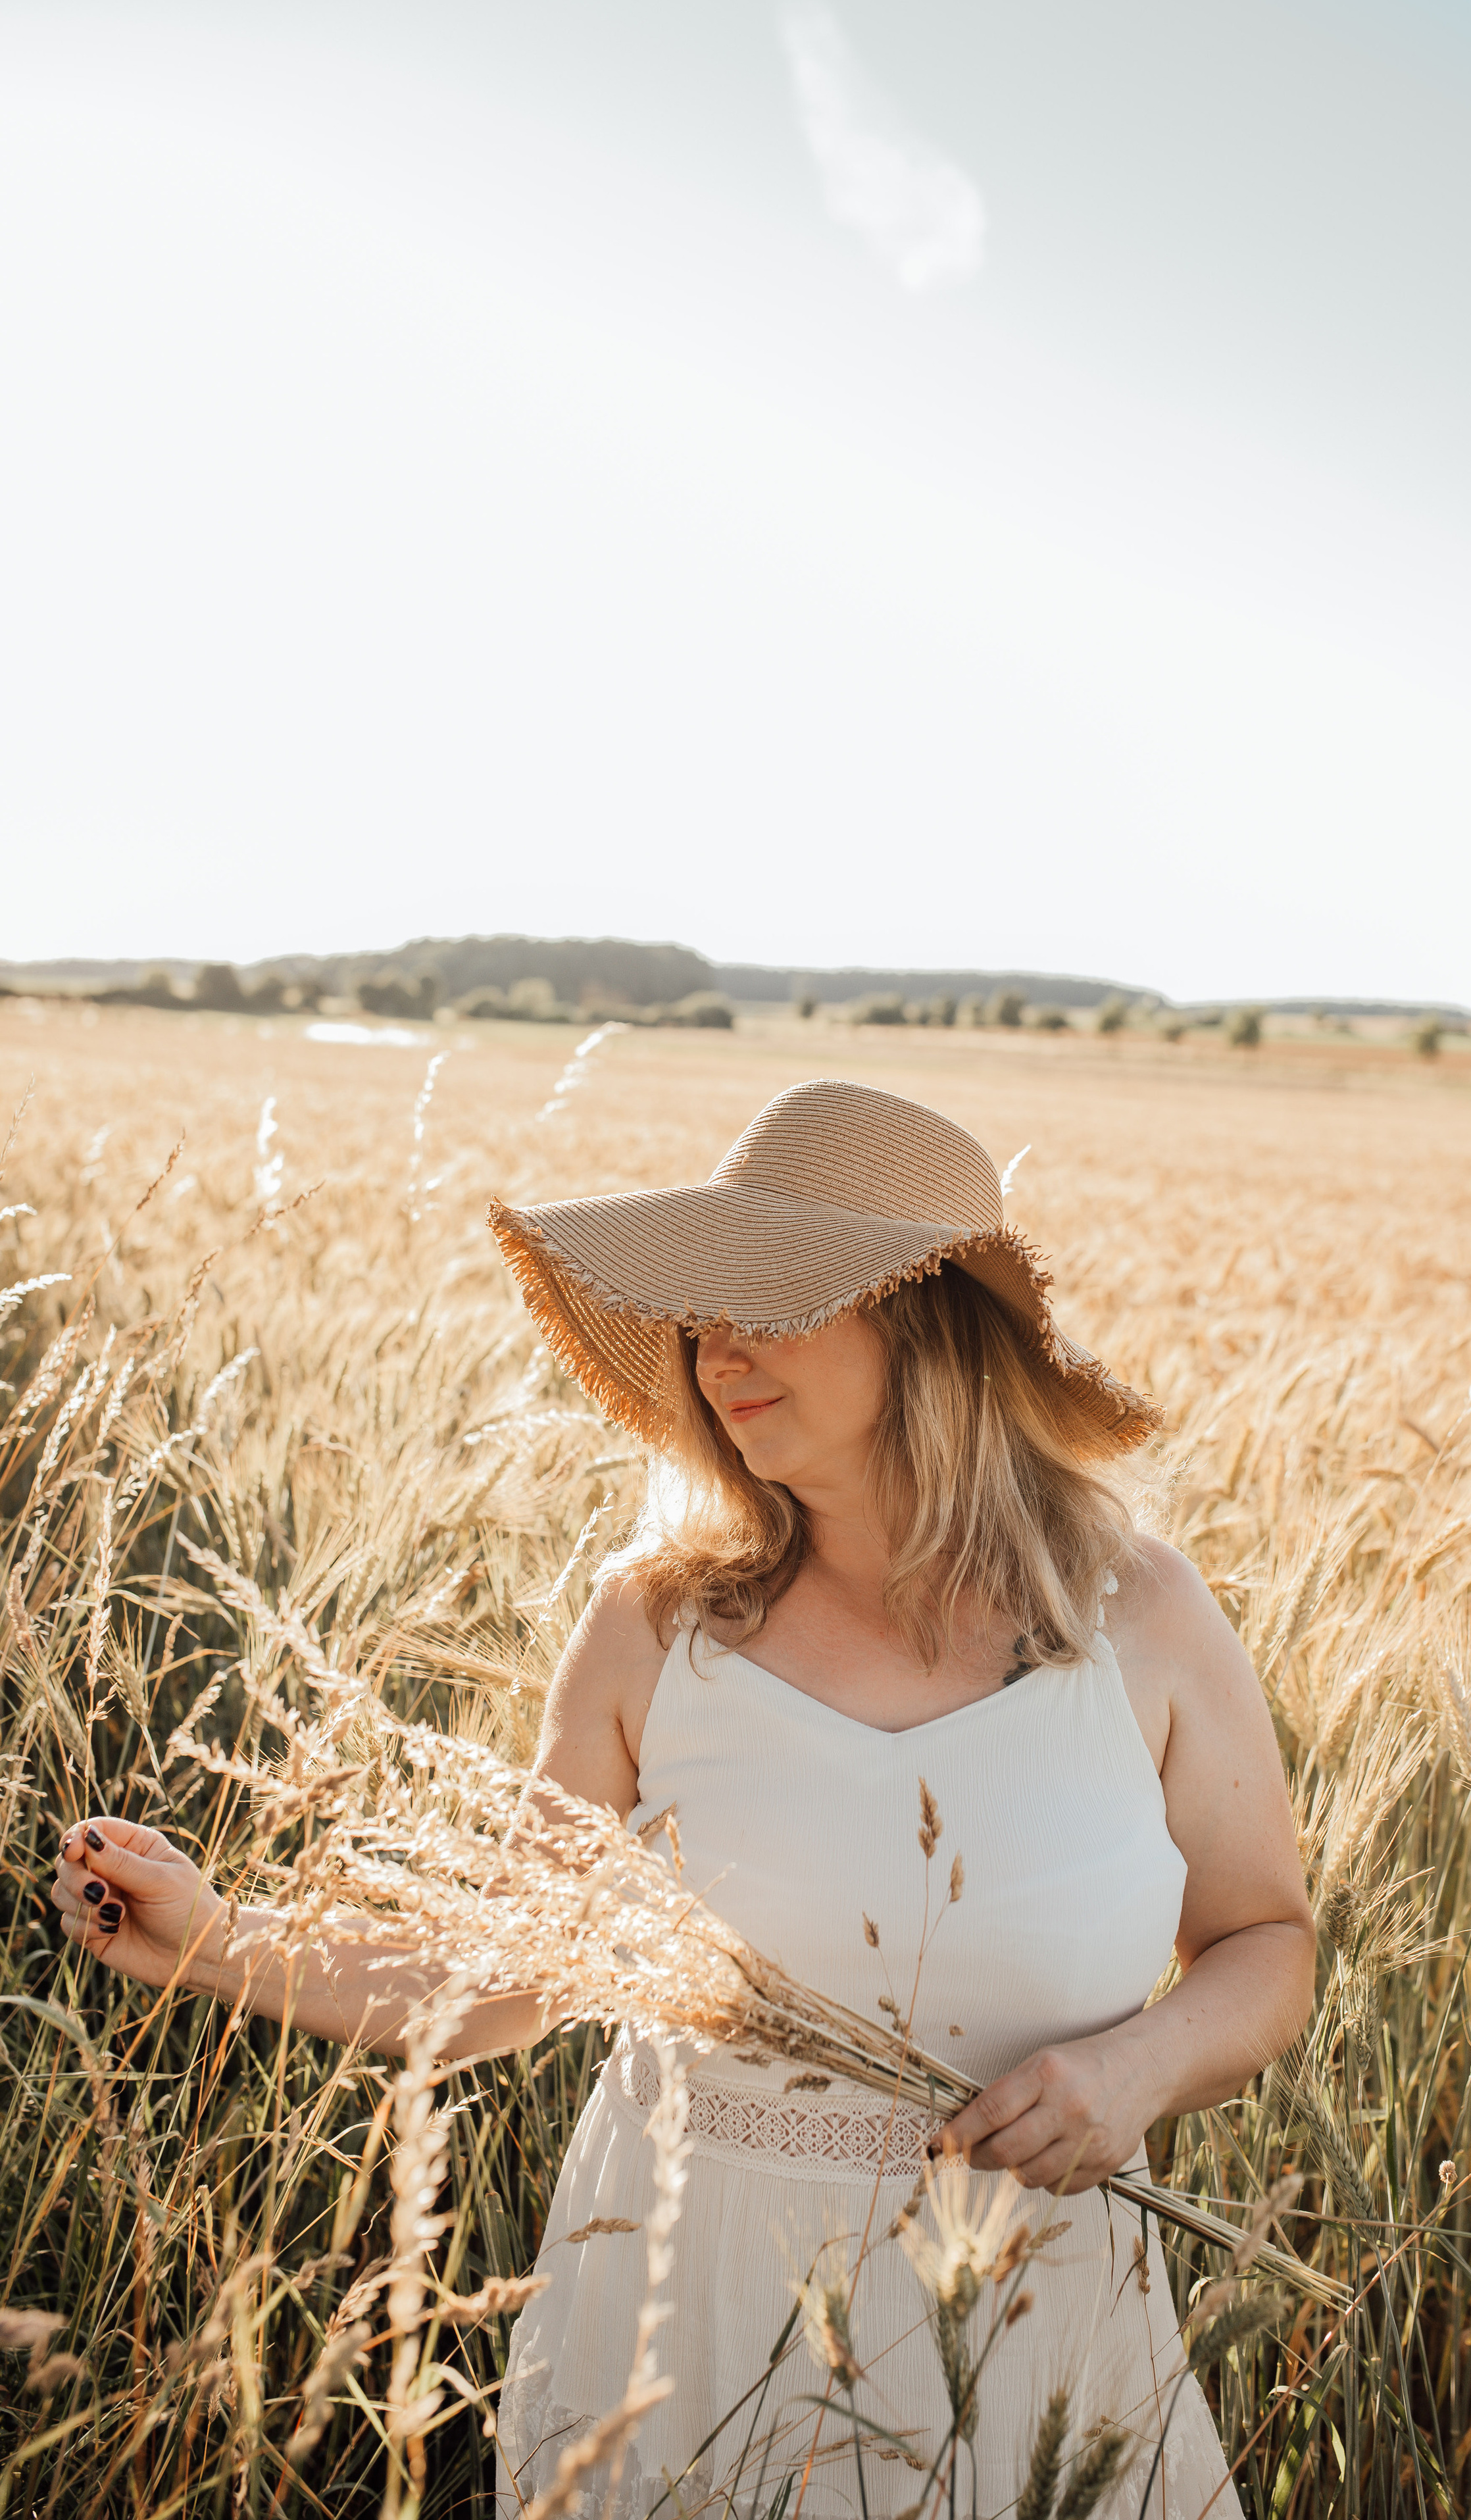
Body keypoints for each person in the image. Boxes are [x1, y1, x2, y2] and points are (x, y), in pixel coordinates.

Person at [55, 1078, 1314, 2520]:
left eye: (765, 1301)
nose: (715, 1351)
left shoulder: (1138, 1617)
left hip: (1037, 2319)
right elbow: (503, 1981)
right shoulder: (655, 1628)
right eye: (698, 1311)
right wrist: (220, 1939)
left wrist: (1140, 2071)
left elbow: (1266, 1941)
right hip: (690, 2311)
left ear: (921, 1319)